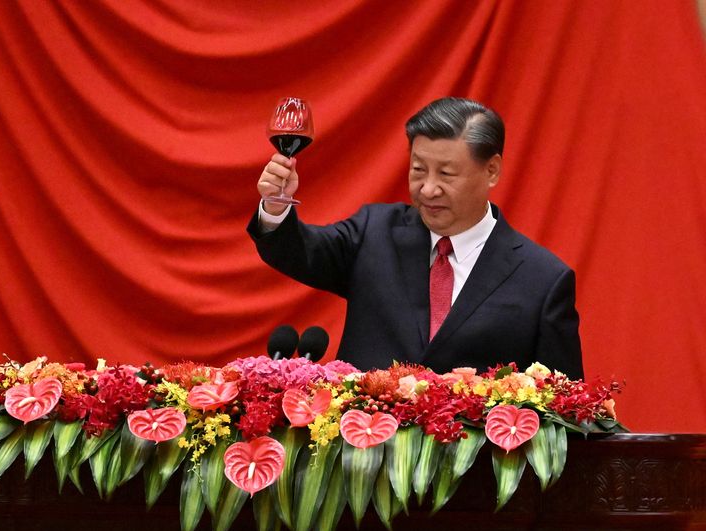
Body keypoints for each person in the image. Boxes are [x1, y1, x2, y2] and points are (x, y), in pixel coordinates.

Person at [248, 97, 584, 379]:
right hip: (363, 449)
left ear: (492, 170)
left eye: (446, 174)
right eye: (418, 170)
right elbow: (299, 252)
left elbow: (563, 410)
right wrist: (276, 207)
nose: (428, 189)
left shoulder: (542, 281)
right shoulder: (374, 233)